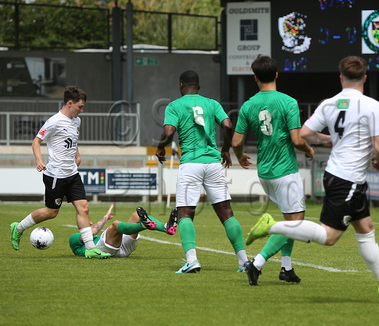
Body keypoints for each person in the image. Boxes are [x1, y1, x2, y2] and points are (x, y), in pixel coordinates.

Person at [245, 56, 379, 300]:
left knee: (366, 228)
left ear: (340, 77)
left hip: (338, 175)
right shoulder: (372, 105)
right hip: (349, 179)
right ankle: (271, 226)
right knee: (329, 237)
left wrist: (325, 139)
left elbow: (305, 132)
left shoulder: (330, 103)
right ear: (365, 77)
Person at [232, 55, 329, 286]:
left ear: (255, 78)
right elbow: (297, 140)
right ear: (276, 75)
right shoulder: (288, 102)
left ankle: (286, 267)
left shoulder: (248, 105)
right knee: (295, 223)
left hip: (265, 173)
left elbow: (236, 142)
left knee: (290, 218)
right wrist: (308, 149)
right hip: (285, 171)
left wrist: (240, 156)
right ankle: (256, 264)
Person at [156, 70, 248, 273]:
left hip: (191, 163)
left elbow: (169, 132)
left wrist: (161, 146)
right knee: (226, 213)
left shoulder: (174, 105)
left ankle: (192, 260)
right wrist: (224, 149)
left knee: (185, 213)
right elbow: (227, 124)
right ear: (199, 86)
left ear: (181, 85)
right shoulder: (212, 104)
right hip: (213, 163)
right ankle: (243, 261)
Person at [10, 86, 110, 259]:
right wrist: (40, 161)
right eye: (80, 106)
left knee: (83, 208)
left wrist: (77, 155)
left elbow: (73, 139)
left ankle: (90, 248)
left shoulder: (76, 121)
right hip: (56, 175)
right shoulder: (54, 121)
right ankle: (18, 228)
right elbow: (36, 142)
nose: (82, 110)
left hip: (72, 173)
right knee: (51, 212)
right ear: (69, 103)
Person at [69, 205, 174, 258]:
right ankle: (143, 225)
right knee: (115, 225)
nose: (91, 224)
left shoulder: (93, 237)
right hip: (103, 249)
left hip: (120, 247)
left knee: (136, 215)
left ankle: (166, 227)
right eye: (88, 224)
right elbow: (91, 232)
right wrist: (105, 217)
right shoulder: (74, 238)